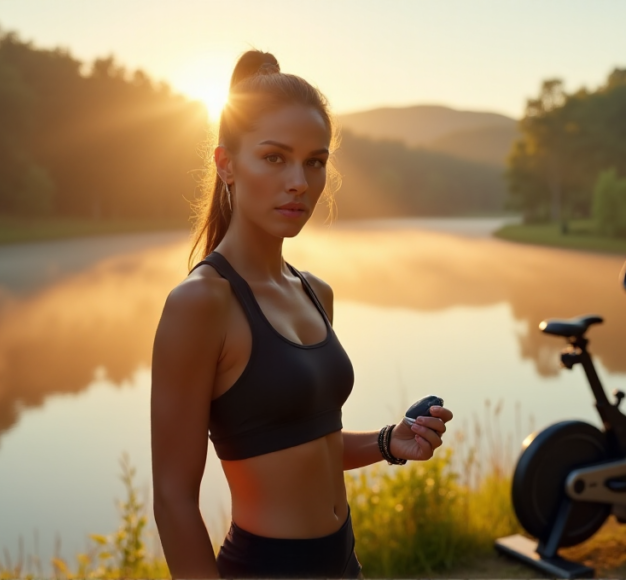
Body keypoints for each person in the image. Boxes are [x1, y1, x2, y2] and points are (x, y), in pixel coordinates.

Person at [150, 50, 453, 579]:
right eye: (275, 158)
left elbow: (301, 443)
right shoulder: (201, 304)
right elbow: (173, 499)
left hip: (344, 563)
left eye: (315, 161)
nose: (299, 181)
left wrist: (388, 441)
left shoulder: (315, 293)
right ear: (226, 164)